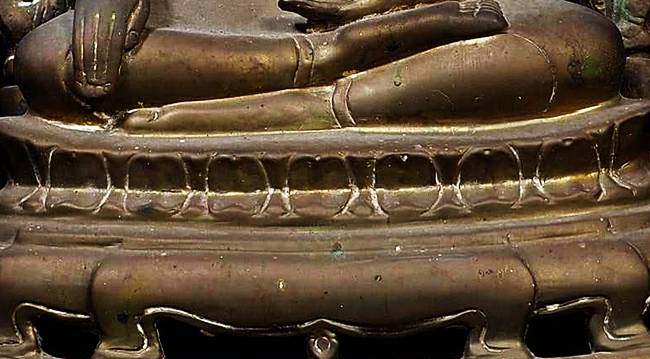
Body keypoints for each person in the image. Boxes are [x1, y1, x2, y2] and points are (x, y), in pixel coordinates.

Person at [11, 0, 626, 130]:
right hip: (230, 25)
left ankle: (314, 98)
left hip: (449, 22)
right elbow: (22, 14)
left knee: (587, 45)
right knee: (52, 58)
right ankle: (341, 54)